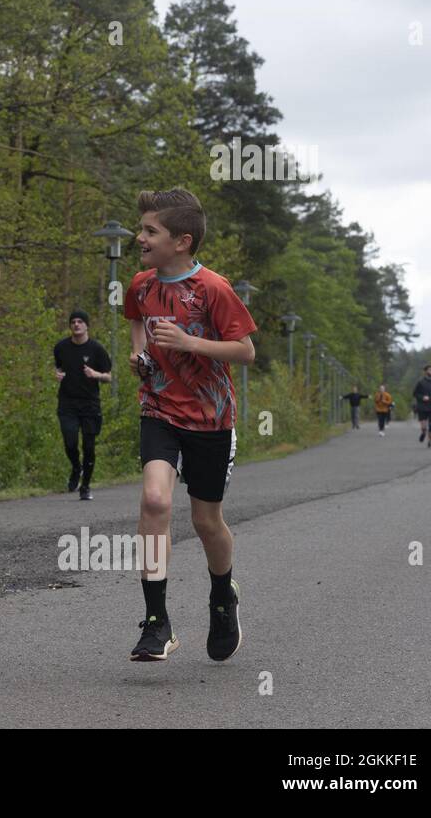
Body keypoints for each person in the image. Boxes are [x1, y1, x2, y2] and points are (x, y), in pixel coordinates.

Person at [123, 188, 256, 663]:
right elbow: (136, 320)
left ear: (181, 241)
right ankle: (157, 622)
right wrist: (139, 355)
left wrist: (188, 342)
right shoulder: (140, 284)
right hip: (159, 409)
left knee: (205, 520)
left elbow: (245, 351)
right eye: (141, 228)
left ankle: (223, 596)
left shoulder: (214, 289)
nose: (139, 236)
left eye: (149, 231)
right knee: (155, 499)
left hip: (211, 418)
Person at [53, 311, 112, 500]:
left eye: (80, 322)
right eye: (73, 322)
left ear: (87, 325)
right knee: (70, 442)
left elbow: (109, 377)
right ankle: (76, 467)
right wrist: (58, 374)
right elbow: (59, 367)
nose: (76, 325)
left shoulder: (97, 350)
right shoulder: (61, 347)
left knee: (89, 447)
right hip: (67, 403)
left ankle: (85, 486)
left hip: (90, 404)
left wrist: (96, 375)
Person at [413, 365, 431, 448]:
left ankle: (430, 442)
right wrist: (422, 397)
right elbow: (415, 394)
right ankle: (424, 432)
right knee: (424, 426)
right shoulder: (420, 382)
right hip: (422, 407)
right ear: (425, 372)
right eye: (430, 370)